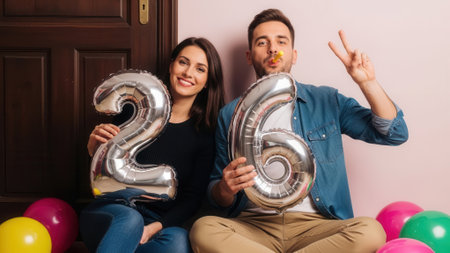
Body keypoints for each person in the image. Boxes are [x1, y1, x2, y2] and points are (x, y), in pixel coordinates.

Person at [189, 9, 408, 253]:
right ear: (249, 56)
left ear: (294, 55)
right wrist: (225, 188)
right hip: (254, 227)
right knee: (203, 229)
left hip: (317, 228)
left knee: (370, 231)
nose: (273, 48)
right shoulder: (230, 114)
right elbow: (216, 194)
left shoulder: (327, 100)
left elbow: (394, 133)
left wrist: (367, 82)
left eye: (281, 41)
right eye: (263, 42)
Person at [80, 37, 225, 253]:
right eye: (183, 62)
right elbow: (104, 177)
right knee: (130, 220)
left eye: (200, 69)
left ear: (208, 81)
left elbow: (192, 199)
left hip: (156, 223)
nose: (188, 73)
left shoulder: (204, 134)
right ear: (171, 65)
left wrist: (152, 229)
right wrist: (94, 149)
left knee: (178, 243)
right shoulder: (133, 110)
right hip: (112, 213)